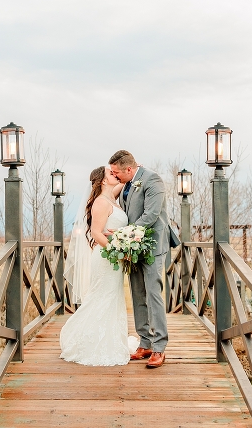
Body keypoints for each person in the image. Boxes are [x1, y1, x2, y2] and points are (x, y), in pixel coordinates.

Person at [59, 166, 130, 366]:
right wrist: (120, 252)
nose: (115, 175)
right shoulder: (100, 202)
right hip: (107, 256)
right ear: (102, 181)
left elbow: (124, 179)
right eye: (110, 173)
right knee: (102, 295)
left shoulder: (110, 197)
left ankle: (110, 340)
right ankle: (85, 340)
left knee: (112, 296)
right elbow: (98, 234)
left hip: (113, 256)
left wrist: (131, 168)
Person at [108, 150, 169, 369]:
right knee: (137, 293)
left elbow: (151, 215)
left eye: (117, 172)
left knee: (153, 293)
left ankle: (160, 347)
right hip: (133, 247)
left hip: (152, 244)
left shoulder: (153, 180)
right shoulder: (124, 183)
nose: (115, 176)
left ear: (129, 169)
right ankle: (145, 342)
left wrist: (125, 235)